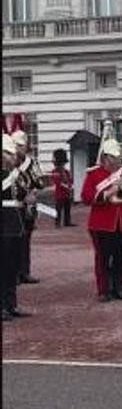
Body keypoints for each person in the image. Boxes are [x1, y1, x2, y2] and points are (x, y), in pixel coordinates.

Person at [81, 122, 122, 304]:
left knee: (120, 257)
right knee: (103, 258)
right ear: (105, 157)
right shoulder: (94, 174)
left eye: (118, 157)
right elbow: (86, 197)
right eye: (114, 158)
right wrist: (107, 193)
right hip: (102, 222)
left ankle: (119, 288)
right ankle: (104, 289)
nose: (117, 161)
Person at [2, 129, 32, 320]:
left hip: (15, 223)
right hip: (3, 223)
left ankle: (11, 304)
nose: (14, 156)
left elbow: (21, 194)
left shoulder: (15, 173)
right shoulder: (10, 175)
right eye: (10, 153)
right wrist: (13, 175)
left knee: (12, 267)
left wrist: (27, 194)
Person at [9, 114, 41, 285]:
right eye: (18, 146)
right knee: (12, 242)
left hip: (27, 207)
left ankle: (24, 271)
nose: (20, 149)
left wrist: (33, 192)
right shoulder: (8, 163)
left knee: (25, 240)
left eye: (22, 146)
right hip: (12, 207)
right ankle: (13, 273)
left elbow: (39, 181)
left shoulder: (30, 162)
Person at [50, 149, 75, 227]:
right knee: (58, 209)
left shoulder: (66, 171)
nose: (63, 165)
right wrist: (66, 186)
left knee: (67, 209)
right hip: (59, 193)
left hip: (66, 193)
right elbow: (57, 182)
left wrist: (70, 185)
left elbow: (70, 180)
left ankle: (67, 222)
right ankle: (57, 223)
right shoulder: (55, 171)